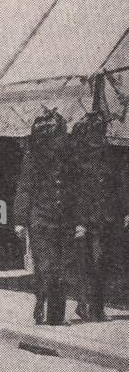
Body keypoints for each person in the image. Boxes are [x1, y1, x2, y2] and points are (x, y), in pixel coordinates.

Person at [14, 108, 73, 326]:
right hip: (39, 220)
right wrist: (20, 220)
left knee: (61, 268)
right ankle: (40, 302)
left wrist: (79, 221)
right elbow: (24, 189)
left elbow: (75, 191)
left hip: (63, 220)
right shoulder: (33, 159)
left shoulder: (67, 159)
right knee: (45, 267)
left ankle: (56, 317)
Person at [70, 110, 129, 322]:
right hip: (85, 220)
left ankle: (90, 304)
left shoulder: (110, 155)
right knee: (91, 262)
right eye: (96, 131)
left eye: (101, 130)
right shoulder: (76, 157)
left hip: (108, 217)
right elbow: (73, 193)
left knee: (102, 262)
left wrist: (126, 210)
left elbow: (120, 184)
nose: (99, 135)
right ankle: (91, 306)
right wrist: (77, 221)